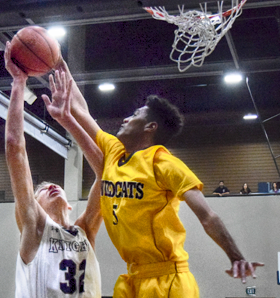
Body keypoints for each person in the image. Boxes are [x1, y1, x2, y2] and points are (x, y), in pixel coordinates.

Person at [58, 62, 263, 297]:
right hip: (132, 278)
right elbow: (81, 110)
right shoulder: (114, 151)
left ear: (150, 127)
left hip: (167, 280)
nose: (125, 119)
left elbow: (207, 216)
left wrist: (236, 256)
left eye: (134, 115)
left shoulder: (163, 164)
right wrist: (58, 62)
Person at [4, 42, 103, 297]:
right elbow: (15, 147)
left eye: (54, 186)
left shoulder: (86, 230)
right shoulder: (35, 227)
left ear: (70, 204)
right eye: (41, 190)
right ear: (30, 207)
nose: (50, 186)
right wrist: (18, 83)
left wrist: (60, 65)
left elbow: (107, 171)